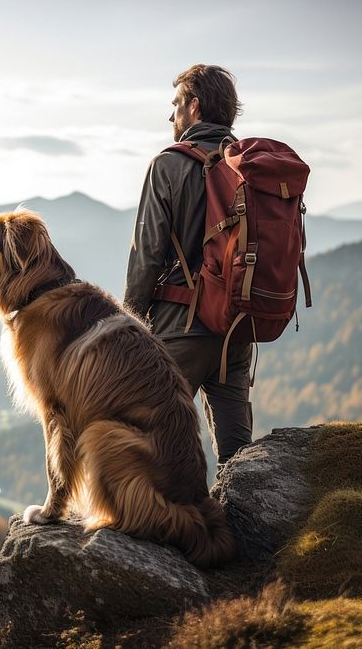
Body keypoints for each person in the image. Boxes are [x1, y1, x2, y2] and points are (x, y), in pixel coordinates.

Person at [124, 64, 253, 477]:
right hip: (237, 324)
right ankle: (243, 521)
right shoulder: (249, 164)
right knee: (237, 454)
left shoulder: (169, 164)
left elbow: (146, 256)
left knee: (147, 444)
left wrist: (129, 325)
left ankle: (158, 537)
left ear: (194, 106)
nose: (171, 115)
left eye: (176, 103)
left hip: (180, 326)